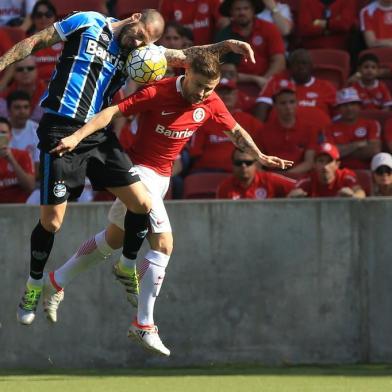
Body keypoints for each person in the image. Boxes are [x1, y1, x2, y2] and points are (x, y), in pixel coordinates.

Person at [0, 8, 257, 326]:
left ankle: (126, 264)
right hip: (60, 127)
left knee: (143, 202)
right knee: (52, 222)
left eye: (146, 41)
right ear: (134, 17)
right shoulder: (88, 22)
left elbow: (184, 54)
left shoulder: (139, 53)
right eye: (139, 33)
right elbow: (37, 41)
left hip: (97, 134)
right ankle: (34, 284)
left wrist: (225, 46)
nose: (138, 41)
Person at [45, 53, 293, 356]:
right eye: (199, 85)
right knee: (163, 244)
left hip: (161, 178)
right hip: (137, 172)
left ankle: (57, 280)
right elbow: (111, 112)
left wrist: (261, 156)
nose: (202, 93)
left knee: (113, 239)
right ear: (186, 73)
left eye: (209, 88)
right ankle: (144, 324)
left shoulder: (211, 102)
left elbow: (235, 131)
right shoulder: (158, 91)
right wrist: (77, 136)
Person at [190, 77, 263, 173]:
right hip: (208, 170)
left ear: (236, 95)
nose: (225, 96)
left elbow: (263, 148)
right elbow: (195, 152)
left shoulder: (250, 121)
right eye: (221, 93)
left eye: (229, 92)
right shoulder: (203, 120)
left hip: (242, 170)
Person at [215, 0, 286, 92]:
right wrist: (255, 79)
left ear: (253, 10)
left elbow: (279, 61)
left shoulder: (270, 28)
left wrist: (265, 80)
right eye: (237, 9)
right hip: (234, 87)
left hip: (268, 83)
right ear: (231, 12)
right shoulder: (223, 35)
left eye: (246, 8)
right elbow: (225, 71)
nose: (242, 12)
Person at [255, 79, 320, 174]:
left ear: (297, 103)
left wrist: (286, 175)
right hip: (271, 175)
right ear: (275, 105)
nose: (288, 107)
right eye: (283, 103)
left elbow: (309, 163)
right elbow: (258, 162)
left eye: (292, 102)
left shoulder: (309, 129)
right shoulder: (263, 131)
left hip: (298, 175)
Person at [254, 48, 337, 122]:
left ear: (312, 66)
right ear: (289, 67)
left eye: (304, 63)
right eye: (296, 63)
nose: (300, 67)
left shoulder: (326, 87)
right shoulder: (276, 81)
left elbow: (338, 115)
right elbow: (262, 104)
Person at [325, 87, 382, 170]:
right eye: (344, 105)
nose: (349, 108)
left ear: (359, 106)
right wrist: (357, 145)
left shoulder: (372, 124)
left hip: (367, 171)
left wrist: (342, 150)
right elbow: (329, 154)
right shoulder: (329, 128)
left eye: (352, 104)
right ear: (338, 108)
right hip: (339, 172)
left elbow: (374, 150)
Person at [288, 142, 366, 198]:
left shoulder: (346, 176)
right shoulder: (308, 179)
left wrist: (353, 196)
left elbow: (361, 193)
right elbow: (289, 197)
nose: (325, 166)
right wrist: (294, 198)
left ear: (337, 165)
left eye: (329, 162)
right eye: (321, 161)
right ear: (314, 164)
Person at [217, 147, 295, 199]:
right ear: (232, 164)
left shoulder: (269, 179)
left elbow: (298, 186)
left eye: (248, 163)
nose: (243, 166)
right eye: (238, 162)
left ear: (256, 164)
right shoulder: (225, 187)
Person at [159, 0, 228, 45]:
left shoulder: (212, 1)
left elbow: (225, 24)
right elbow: (160, 31)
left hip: (205, 52)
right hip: (177, 52)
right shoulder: (168, 2)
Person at [0, 116, 35, 202]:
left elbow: (30, 186)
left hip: (19, 209)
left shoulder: (23, 155)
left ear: (10, 136)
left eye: (3, 133)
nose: (0, 136)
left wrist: (11, 160)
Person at [1, 56, 46, 121]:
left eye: (30, 68)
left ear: (36, 71)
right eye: (20, 69)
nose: (25, 72)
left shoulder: (48, 93)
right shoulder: (4, 98)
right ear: (13, 73)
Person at [7, 90, 40, 175]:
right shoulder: (2, 129)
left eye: (26, 107)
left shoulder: (37, 131)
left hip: (31, 181)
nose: (22, 111)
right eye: (17, 107)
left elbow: (37, 167)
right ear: (8, 110)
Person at [29, 0, 62, 83]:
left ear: (55, 18)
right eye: (39, 15)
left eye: (48, 15)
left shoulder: (66, 41)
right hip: (36, 87)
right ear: (33, 19)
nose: (44, 18)